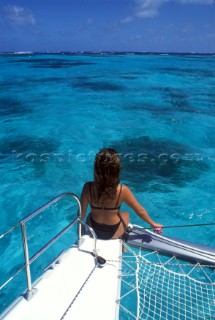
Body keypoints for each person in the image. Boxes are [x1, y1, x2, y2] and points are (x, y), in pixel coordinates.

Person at [80, 148, 163, 241]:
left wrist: (80, 228)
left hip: (93, 230)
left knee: (90, 214)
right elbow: (139, 210)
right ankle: (122, 239)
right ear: (116, 170)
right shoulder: (122, 190)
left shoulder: (88, 187)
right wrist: (152, 224)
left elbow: (81, 213)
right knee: (125, 214)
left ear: (96, 169)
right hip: (114, 232)